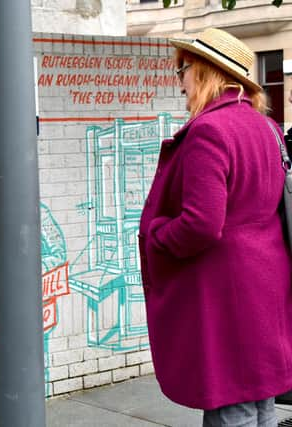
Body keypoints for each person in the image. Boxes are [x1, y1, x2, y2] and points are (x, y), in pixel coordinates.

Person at [139, 28, 292, 426]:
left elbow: (202, 224)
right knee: (260, 402)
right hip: (266, 283)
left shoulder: (210, 130)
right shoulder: (268, 129)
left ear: (207, 72)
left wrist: (157, 233)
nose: (180, 84)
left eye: (182, 72)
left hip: (228, 292)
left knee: (232, 406)